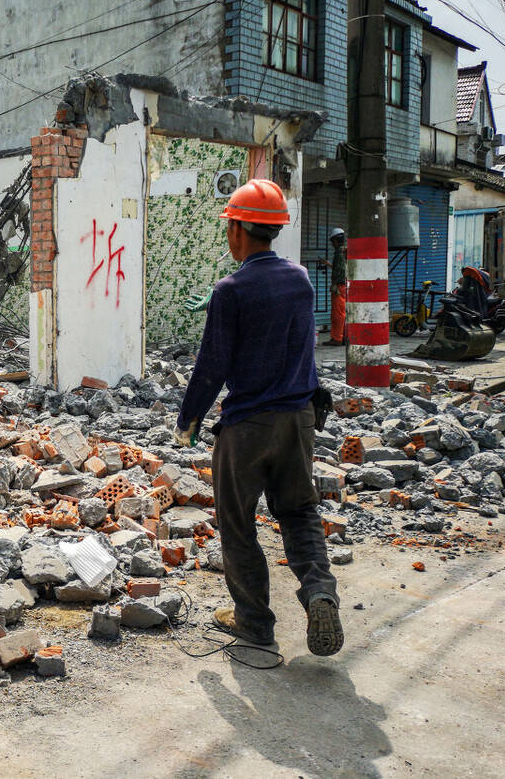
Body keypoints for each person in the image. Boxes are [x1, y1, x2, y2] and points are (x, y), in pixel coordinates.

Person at [174, 179, 343, 657]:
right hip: (298, 418)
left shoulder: (230, 289)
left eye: (229, 226)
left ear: (238, 231)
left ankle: (254, 621)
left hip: (247, 426)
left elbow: (213, 366)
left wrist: (188, 420)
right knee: (298, 511)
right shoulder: (301, 280)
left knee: (237, 521)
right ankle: (319, 592)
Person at [324, 227, 346, 346]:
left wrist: (334, 285)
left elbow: (340, 271)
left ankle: (337, 338)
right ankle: (342, 336)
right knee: (342, 312)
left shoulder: (339, 253)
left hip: (339, 286)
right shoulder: (344, 252)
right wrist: (329, 265)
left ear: (336, 240)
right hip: (343, 285)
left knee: (337, 314)